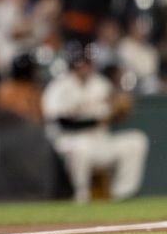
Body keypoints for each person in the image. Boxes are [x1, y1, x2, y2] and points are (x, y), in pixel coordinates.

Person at [42, 44, 149, 203]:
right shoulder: (59, 87)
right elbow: (60, 122)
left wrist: (118, 111)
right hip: (69, 140)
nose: (85, 66)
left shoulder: (101, 84)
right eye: (81, 63)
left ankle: (121, 195)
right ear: (72, 64)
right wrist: (96, 121)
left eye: (87, 62)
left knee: (136, 141)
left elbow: (112, 116)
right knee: (81, 147)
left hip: (99, 141)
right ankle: (81, 196)